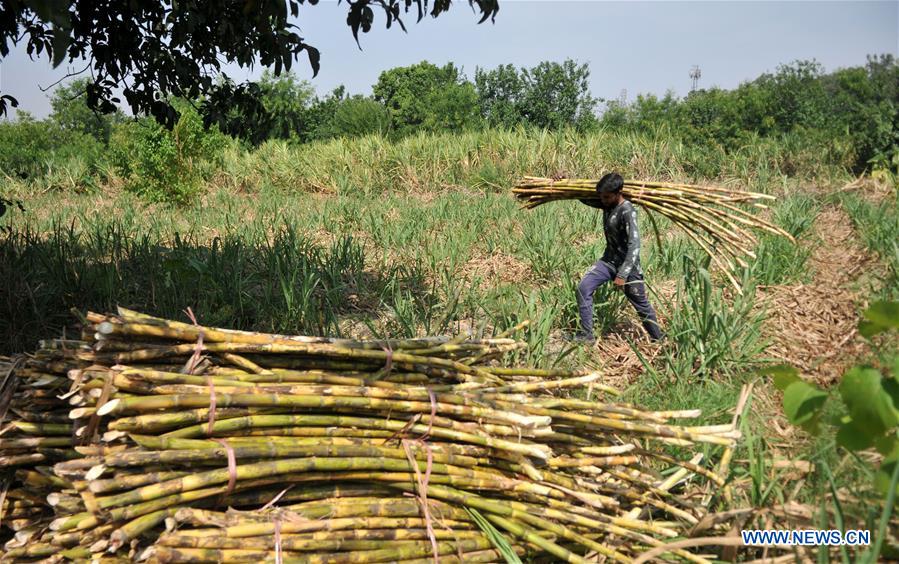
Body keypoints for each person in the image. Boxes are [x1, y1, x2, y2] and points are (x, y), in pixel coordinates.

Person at [570, 172, 664, 343]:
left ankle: (659, 339)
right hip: (608, 261)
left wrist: (622, 274)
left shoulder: (628, 211)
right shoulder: (606, 204)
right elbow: (582, 197)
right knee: (583, 288)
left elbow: (634, 245)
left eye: (606, 197)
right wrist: (564, 181)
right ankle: (587, 335)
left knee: (641, 304)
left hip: (628, 267)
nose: (603, 200)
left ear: (618, 192)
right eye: (601, 197)